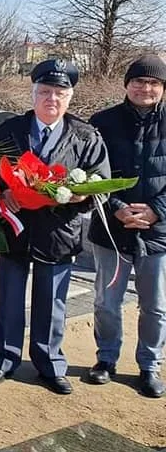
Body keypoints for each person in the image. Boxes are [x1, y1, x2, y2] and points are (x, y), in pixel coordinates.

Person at [0, 58, 110, 395]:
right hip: (15, 229)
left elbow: (102, 184)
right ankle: (4, 359)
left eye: (60, 93)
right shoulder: (9, 130)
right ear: (33, 94)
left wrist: (79, 196)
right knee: (8, 299)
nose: (52, 99)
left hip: (58, 233)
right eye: (45, 91)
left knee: (52, 304)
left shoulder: (86, 137)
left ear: (70, 98)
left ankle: (50, 363)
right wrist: (4, 193)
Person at [85, 55, 166, 398]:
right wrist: (116, 208)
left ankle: (149, 365)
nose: (145, 88)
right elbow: (90, 173)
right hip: (112, 230)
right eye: (139, 81)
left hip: (158, 233)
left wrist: (157, 211)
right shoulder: (102, 122)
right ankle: (106, 358)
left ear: (163, 88)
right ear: (127, 84)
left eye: (154, 83)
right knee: (107, 301)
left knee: (156, 306)